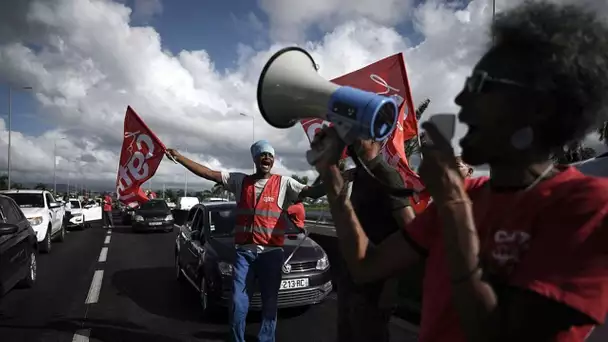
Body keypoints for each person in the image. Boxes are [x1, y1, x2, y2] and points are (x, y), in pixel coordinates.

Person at [309, 2, 608, 342]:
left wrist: (452, 204)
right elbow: (365, 267)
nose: (463, 98)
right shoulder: (471, 194)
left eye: (481, 84)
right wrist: (333, 181)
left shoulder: (588, 207)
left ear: (538, 105)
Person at [165, 140, 325, 342]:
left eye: (270, 155)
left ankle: (266, 339)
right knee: (238, 302)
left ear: (273, 160)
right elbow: (208, 173)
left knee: (269, 302)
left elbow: (313, 192)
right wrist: (179, 157)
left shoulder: (285, 183)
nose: (266, 158)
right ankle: (236, 338)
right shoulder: (239, 181)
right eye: (262, 154)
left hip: (271, 254)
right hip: (244, 254)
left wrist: (341, 178)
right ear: (255, 159)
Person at [336, 140, 416, 342]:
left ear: (375, 139)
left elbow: (411, 230)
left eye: (358, 133)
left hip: (374, 288)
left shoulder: (386, 174)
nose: (351, 138)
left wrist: (390, 282)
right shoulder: (359, 175)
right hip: (352, 281)